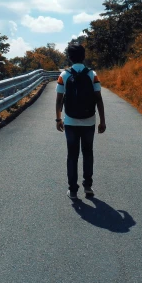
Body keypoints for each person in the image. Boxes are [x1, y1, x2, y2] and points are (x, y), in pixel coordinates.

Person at [55, 44, 106, 199]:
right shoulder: (92, 74)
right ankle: (88, 186)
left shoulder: (64, 75)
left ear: (69, 57)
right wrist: (102, 121)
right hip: (89, 121)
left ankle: (73, 190)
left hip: (70, 121)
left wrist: (58, 118)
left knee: (72, 155)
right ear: (84, 56)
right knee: (88, 153)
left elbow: (59, 99)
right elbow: (98, 98)